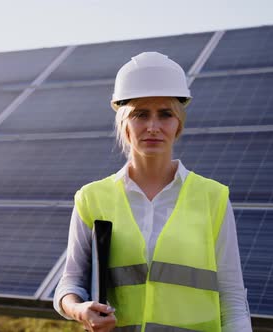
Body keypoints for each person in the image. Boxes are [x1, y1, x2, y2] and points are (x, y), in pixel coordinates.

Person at [53, 52, 252, 332]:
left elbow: (232, 297)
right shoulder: (91, 198)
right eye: (140, 114)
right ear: (124, 122)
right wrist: (79, 309)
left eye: (165, 114)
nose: (153, 127)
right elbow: (70, 284)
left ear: (178, 123)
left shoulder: (213, 197)